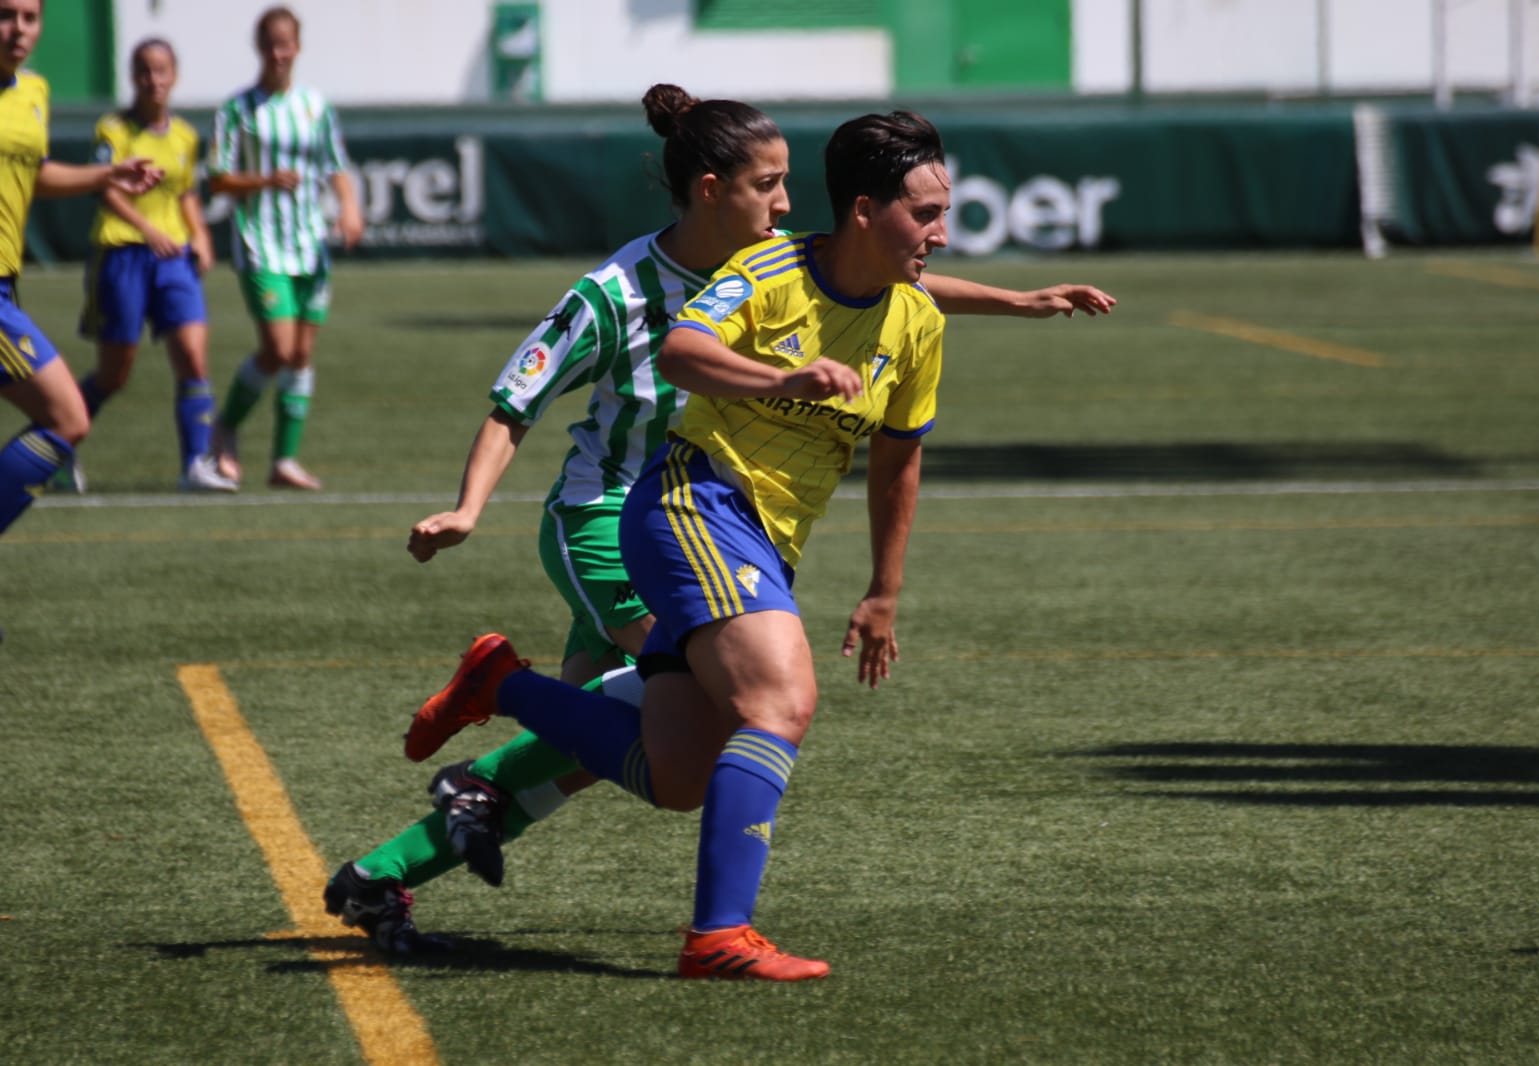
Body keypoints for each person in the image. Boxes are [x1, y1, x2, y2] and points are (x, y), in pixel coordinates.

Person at [322, 85, 1114, 953]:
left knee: (649, 762)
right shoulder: (635, 290)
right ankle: (707, 925)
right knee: (759, 700)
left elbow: (889, 286)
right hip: (625, 512)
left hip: (734, 529)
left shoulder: (786, 263)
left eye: (784, 184)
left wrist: (1020, 301)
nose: (781, 202)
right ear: (709, 188)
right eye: (765, 184)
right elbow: (522, 399)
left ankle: (391, 860)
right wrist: (471, 508)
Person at [406, 108, 959, 981]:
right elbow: (682, 350)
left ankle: (502, 684)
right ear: (863, 208)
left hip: (763, 542)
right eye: (925, 213)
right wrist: (786, 377)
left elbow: (898, 462)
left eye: (944, 212)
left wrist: (884, 588)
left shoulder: (918, 321)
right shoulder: (760, 271)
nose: (941, 230)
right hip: (684, 505)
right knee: (777, 700)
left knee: (677, 775)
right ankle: (717, 937)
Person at [0, 0, 162, 535]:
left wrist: (105, 176)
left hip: (7, 286)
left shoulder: (34, 94)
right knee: (67, 416)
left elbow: (34, 173)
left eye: (29, 17)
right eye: (5, 14)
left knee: (67, 418)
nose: (18, 29)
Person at [205, 5, 362, 491]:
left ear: (298, 46)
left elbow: (336, 164)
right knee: (277, 348)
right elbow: (217, 179)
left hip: (309, 245)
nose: (279, 52)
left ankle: (284, 461)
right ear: (260, 47)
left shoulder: (315, 106)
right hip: (260, 244)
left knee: (300, 355)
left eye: (286, 42)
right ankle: (225, 428)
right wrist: (265, 180)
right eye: (271, 43)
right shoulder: (237, 110)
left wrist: (349, 207)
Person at [68, 38, 235, 493]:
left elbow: (185, 195)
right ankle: (58, 446)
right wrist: (147, 229)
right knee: (114, 374)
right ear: (132, 76)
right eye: (144, 70)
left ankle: (195, 465)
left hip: (173, 259)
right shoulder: (114, 130)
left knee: (193, 357)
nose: (153, 79)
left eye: (161, 70)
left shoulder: (184, 135)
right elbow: (106, 189)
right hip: (121, 254)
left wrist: (199, 235)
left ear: (174, 75)